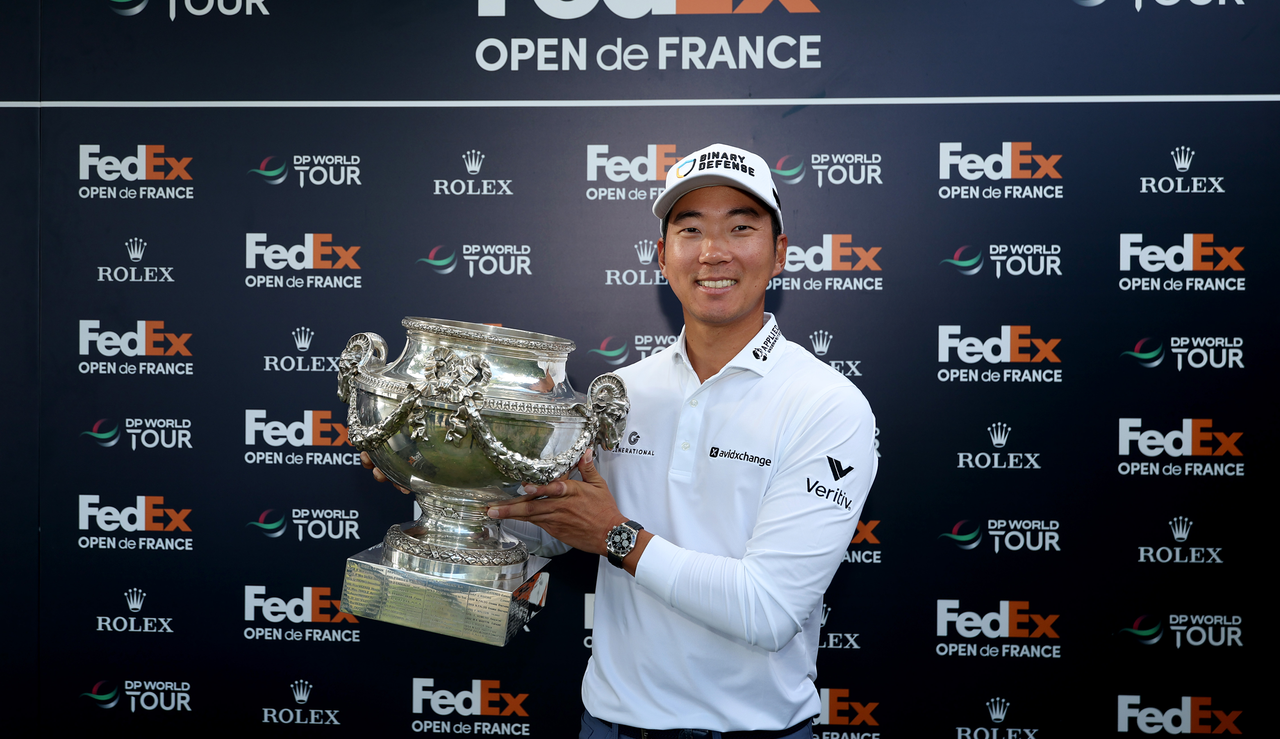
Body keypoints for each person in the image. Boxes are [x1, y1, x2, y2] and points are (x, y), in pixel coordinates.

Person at [366, 143, 876, 739]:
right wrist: (444, 474)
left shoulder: (828, 405)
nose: (714, 251)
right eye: (691, 230)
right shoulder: (618, 393)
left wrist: (616, 536)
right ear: (663, 257)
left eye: (740, 227)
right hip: (608, 725)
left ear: (779, 254)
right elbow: (547, 530)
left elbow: (769, 611)